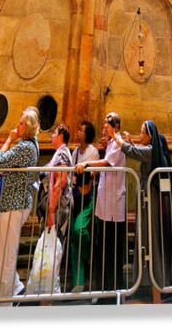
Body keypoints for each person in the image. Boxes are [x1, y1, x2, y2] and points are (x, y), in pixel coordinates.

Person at [0, 106, 40, 304]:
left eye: (20, 123)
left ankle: (6, 301)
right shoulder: (27, 144)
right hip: (11, 203)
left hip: (15, 204)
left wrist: (8, 139)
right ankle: (16, 287)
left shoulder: (25, 147)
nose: (16, 125)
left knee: (6, 254)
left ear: (26, 127)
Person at [113, 119, 169, 301]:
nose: (140, 135)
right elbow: (137, 148)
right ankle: (148, 288)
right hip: (145, 198)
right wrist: (131, 141)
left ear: (150, 136)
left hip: (149, 199)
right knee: (144, 239)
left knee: (150, 240)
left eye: (142, 133)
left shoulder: (151, 151)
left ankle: (156, 294)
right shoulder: (150, 150)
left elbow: (133, 151)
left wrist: (117, 137)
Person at [76, 111, 126, 298]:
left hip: (114, 206)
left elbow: (107, 162)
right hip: (105, 205)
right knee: (103, 248)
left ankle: (114, 290)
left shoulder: (118, 142)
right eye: (105, 122)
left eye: (109, 122)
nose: (105, 125)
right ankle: (103, 288)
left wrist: (88, 164)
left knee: (112, 251)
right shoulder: (112, 143)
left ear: (117, 126)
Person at [69, 121, 99, 292]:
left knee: (79, 230)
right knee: (74, 239)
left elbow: (93, 173)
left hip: (87, 196)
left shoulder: (92, 151)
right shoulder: (75, 152)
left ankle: (87, 257)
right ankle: (78, 282)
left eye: (81, 130)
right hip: (76, 195)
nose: (78, 131)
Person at [41, 124, 72, 236]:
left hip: (57, 209)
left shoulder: (62, 153)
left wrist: (51, 210)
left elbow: (61, 181)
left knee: (52, 245)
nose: (52, 136)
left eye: (54, 133)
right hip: (56, 207)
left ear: (61, 136)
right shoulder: (61, 152)